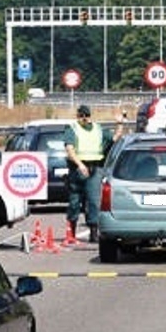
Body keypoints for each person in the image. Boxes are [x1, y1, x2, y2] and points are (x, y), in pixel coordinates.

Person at [64, 104, 125, 243]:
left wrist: (120, 123)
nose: (84, 118)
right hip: (77, 169)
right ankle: (71, 231)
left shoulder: (98, 129)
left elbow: (115, 138)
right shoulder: (72, 129)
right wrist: (80, 165)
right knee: (74, 202)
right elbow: (70, 149)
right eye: (81, 116)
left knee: (93, 201)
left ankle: (93, 232)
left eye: (86, 115)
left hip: (95, 169)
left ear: (90, 116)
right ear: (77, 116)